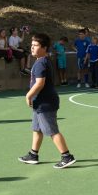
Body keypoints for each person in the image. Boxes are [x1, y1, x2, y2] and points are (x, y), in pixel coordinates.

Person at [18, 32, 76, 169]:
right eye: (31, 45)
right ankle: (33, 155)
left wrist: (28, 95)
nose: (32, 47)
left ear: (44, 48)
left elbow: (40, 83)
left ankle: (67, 156)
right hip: (40, 103)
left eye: (36, 45)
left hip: (45, 103)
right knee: (37, 129)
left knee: (52, 131)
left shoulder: (41, 63)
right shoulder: (42, 60)